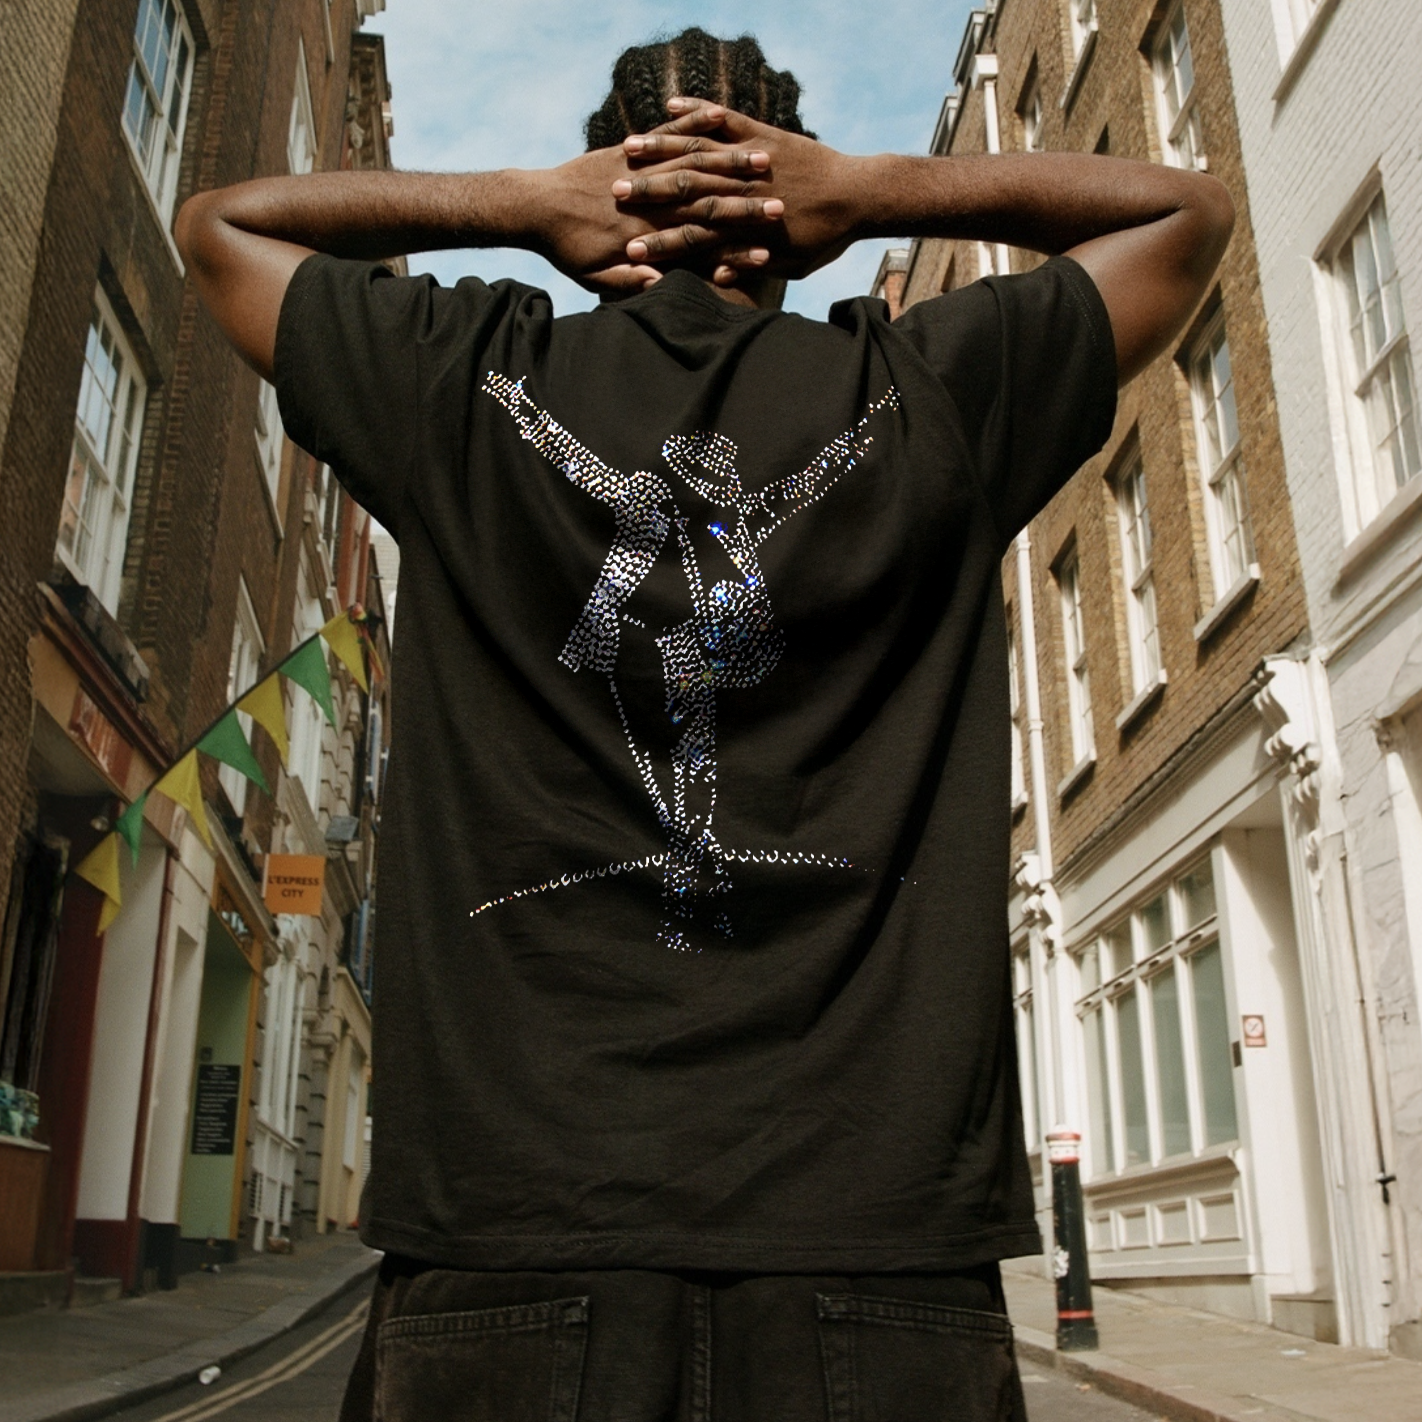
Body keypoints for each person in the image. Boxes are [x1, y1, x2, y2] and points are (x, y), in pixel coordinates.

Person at [177, 26, 1232, 1422]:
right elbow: (1185, 214)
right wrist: (872, 190)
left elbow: (221, 229)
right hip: (874, 1236)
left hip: (516, 1226)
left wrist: (522, 206)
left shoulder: (459, 379)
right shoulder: (929, 391)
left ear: (605, 190)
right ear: (788, 206)